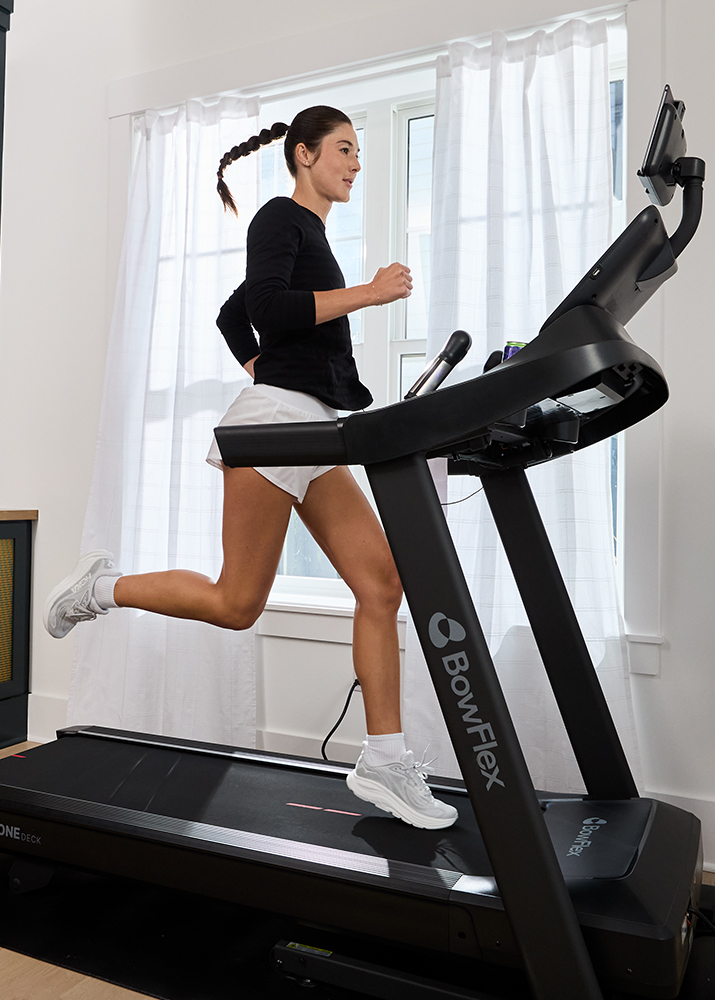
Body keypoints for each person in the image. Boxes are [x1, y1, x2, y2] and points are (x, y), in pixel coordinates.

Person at [46, 105, 456, 831]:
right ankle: (99, 588)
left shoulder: (310, 236)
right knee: (238, 605)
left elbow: (235, 316)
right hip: (274, 429)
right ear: (304, 156)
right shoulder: (280, 217)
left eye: (358, 152)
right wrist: (367, 292)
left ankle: (386, 759)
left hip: (314, 427)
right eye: (344, 149)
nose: (355, 163)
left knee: (381, 581)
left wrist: (276, 365)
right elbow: (268, 306)